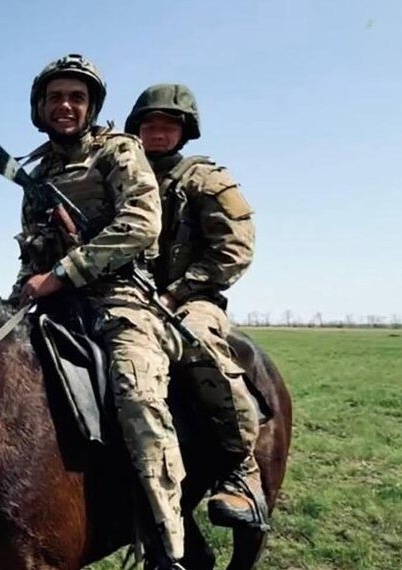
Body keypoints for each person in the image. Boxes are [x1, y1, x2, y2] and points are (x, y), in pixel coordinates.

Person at [11, 54, 186, 566]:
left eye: (76, 97)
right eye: (55, 97)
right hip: (51, 299)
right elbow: (33, 253)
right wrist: (25, 285)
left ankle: (165, 539)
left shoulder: (118, 151)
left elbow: (141, 222)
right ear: (39, 107)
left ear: (91, 107)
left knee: (138, 392)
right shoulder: (38, 171)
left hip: (119, 298)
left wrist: (64, 273)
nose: (65, 105)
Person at [124, 83, 268, 529]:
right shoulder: (123, 179)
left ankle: (241, 469)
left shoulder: (206, 180)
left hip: (192, 299)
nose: (157, 134)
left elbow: (234, 248)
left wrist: (178, 292)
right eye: (150, 126)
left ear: (184, 131)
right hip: (129, 296)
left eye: (167, 126)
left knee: (197, 343)